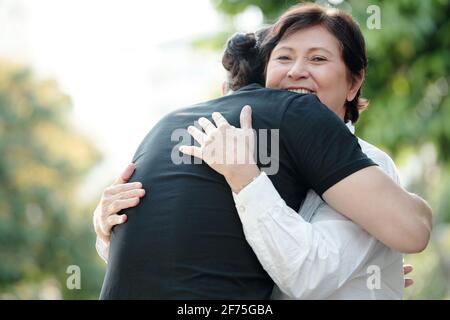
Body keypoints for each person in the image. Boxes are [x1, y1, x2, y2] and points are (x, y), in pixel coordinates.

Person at [94, 4, 431, 299]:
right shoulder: (249, 150)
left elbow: (308, 276)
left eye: (318, 58)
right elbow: (195, 252)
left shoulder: (367, 163)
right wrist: (107, 228)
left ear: (354, 83)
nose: (297, 70)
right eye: (283, 57)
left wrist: (248, 179)